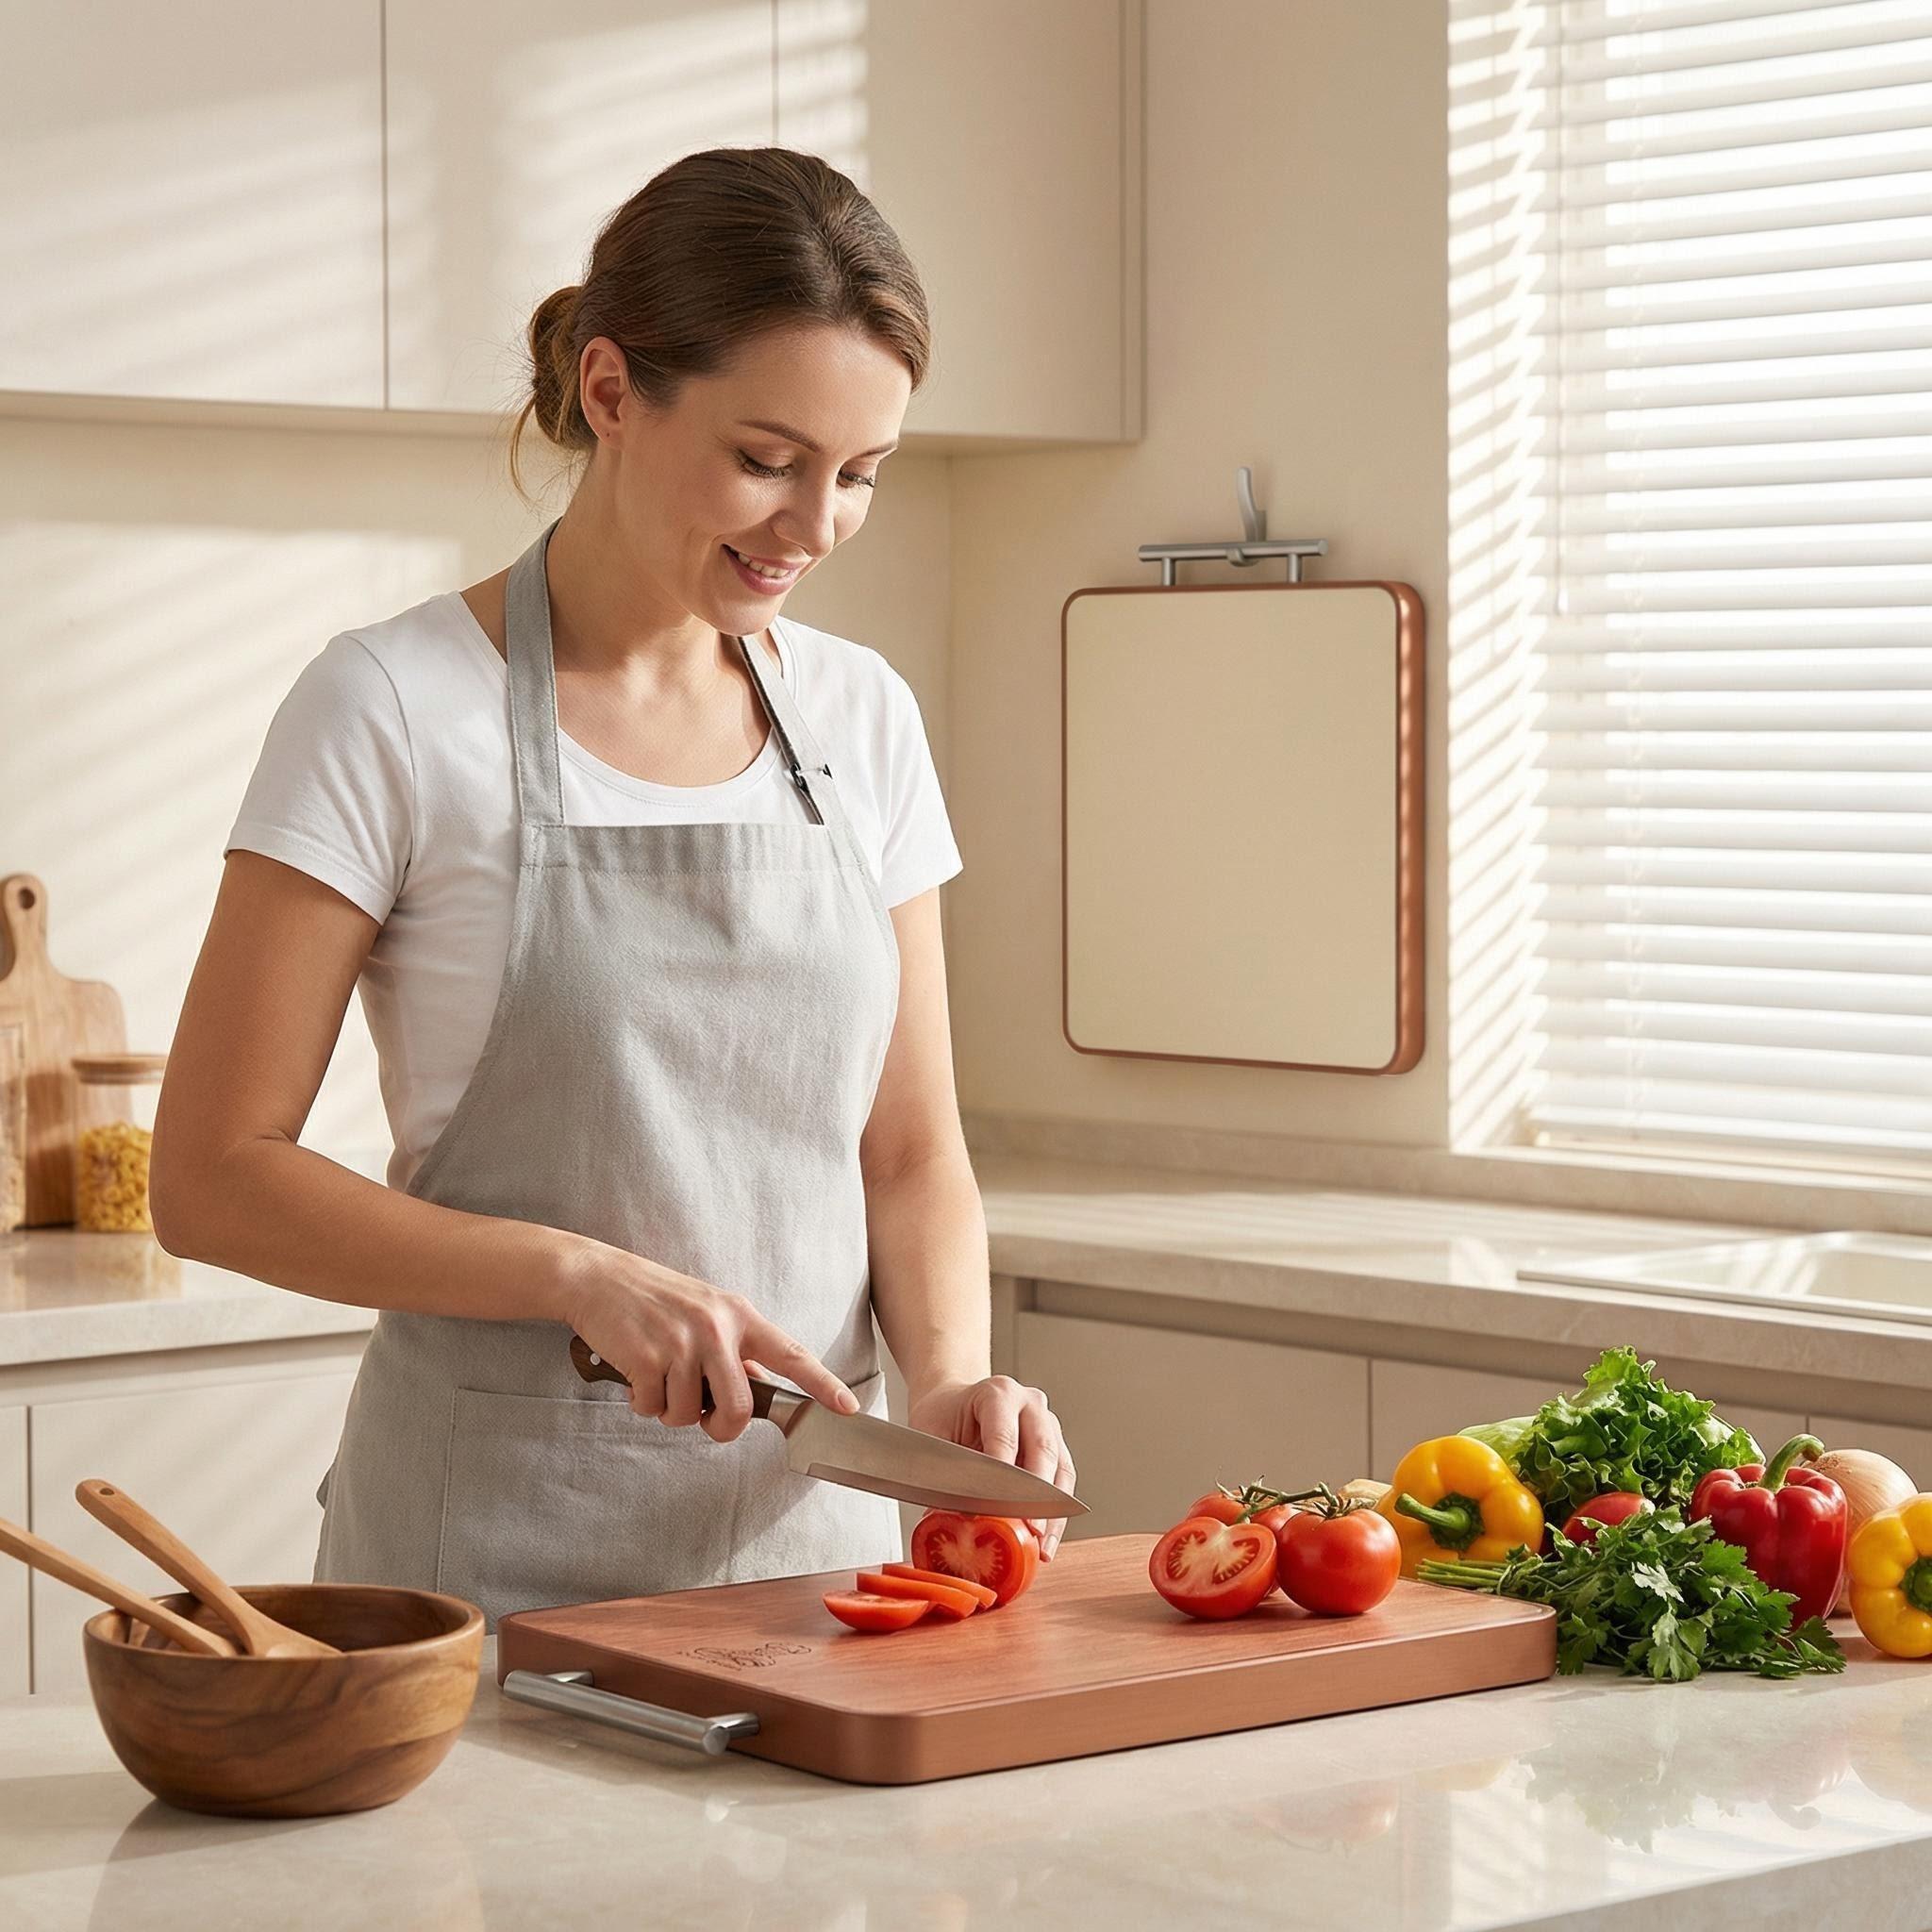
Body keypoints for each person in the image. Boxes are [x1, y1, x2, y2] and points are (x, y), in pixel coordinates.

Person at [150, 147, 1074, 1628]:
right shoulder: (392, 706)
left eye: (859, 476)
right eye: (766, 460)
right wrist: (575, 1276)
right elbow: (210, 1177)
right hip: (484, 1574)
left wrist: (952, 1375)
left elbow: (909, 1152)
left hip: (816, 1571)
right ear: (609, 390)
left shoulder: (863, 717)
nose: (814, 526)